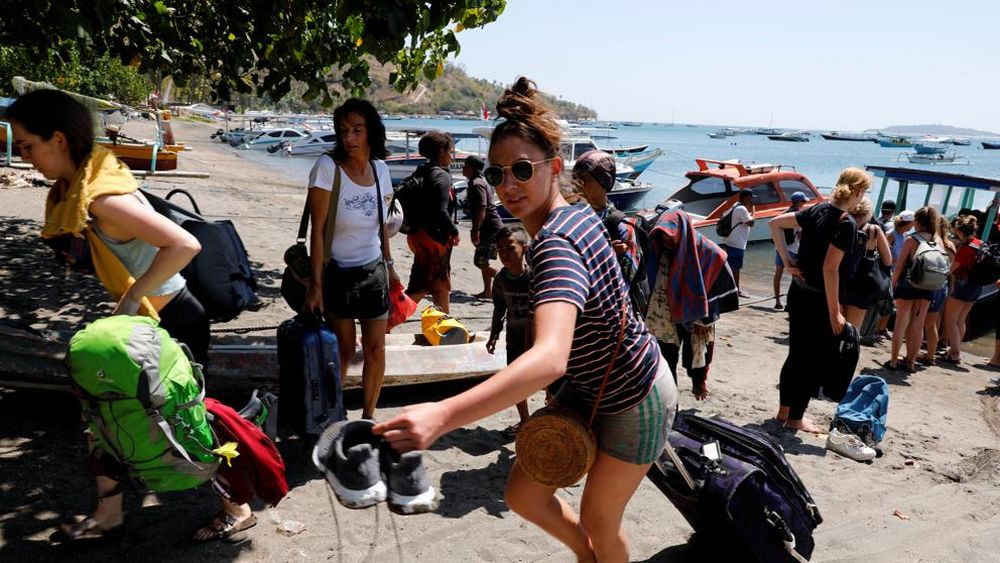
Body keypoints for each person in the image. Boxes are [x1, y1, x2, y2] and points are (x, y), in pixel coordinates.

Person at [373, 77, 676, 562]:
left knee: (600, 519)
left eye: (521, 170)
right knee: (524, 494)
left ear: (554, 167)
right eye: (497, 174)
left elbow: (550, 358)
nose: (508, 185)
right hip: (590, 384)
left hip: (634, 393)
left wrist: (442, 415)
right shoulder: (573, 214)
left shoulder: (555, 243)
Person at [7, 89, 252, 542]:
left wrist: (132, 297)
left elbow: (184, 244)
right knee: (102, 414)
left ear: (58, 140)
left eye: (27, 145)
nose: (24, 156)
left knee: (190, 421)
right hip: (146, 324)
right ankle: (110, 513)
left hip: (174, 321)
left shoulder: (101, 199)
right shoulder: (83, 183)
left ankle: (238, 507)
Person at [303, 98, 398, 420]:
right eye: (344, 131)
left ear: (371, 131)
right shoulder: (328, 167)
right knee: (343, 350)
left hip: (373, 272)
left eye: (357, 130)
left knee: (376, 349)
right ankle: (333, 413)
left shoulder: (380, 170)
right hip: (337, 275)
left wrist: (390, 266)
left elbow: (382, 225)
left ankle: (369, 416)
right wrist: (316, 286)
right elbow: (317, 231)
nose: (349, 137)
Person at [769, 167, 870, 433]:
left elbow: (774, 223)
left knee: (796, 355)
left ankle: (783, 411)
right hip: (819, 300)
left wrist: (787, 261)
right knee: (811, 361)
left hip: (798, 292)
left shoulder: (816, 209)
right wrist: (835, 311)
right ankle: (796, 418)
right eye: (864, 192)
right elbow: (830, 269)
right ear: (858, 192)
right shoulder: (845, 223)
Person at [646, 209, 736, 401]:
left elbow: (722, 278)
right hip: (664, 315)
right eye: (662, 238)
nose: (666, 242)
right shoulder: (659, 251)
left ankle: (697, 384)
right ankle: (671, 402)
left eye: (670, 238)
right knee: (666, 361)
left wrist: (707, 312)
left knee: (697, 355)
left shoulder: (709, 252)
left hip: (697, 316)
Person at [405, 131, 459, 312]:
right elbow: (440, 210)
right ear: (441, 151)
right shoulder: (441, 176)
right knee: (419, 288)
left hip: (419, 234)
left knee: (440, 284)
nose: (451, 156)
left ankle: (445, 322)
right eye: (449, 151)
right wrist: (454, 230)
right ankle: (385, 323)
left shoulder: (423, 170)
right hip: (433, 239)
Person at [485, 226, 532, 437]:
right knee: (515, 383)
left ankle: (549, 419)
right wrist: (494, 335)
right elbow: (500, 308)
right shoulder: (501, 279)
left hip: (537, 339)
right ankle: (525, 420)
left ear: (524, 248)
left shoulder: (535, 277)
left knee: (549, 383)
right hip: (514, 338)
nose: (504, 254)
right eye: (500, 249)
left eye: (509, 248)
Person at [887, 206, 946, 373]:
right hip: (929, 286)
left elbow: (899, 267)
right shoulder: (938, 241)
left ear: (918, 222)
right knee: (918, 325)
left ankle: (893, 361)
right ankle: (911, 363)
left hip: (909, 284)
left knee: (901, 323)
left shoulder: (911, 240)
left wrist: (892, 285)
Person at [842, 198, 892, 328]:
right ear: (868, 212)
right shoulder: (873, 230)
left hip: (839, 279)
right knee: (852, 329)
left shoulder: (842, 224)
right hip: (862, 284)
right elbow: (888, 260)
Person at [941, 215, 983, 365]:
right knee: (961, 319)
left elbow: (952, 269)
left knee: (950, 320)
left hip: (962, 286)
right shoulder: (980, 244)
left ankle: (955, 353)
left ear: (960, 231)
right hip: (977, 287)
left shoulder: (967, 248)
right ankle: (955, 349)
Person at [917, 215, 956, 365]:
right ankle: (930, 355)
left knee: (919, 321)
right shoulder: (951, 245)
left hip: (931, 283)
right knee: (931, 323)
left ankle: (915, 354)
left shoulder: (935, 243)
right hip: (943, 284)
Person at [464, 154, 503, 299]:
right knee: (483, 260)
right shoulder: (481, 181)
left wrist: (476, 229)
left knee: (479, 261)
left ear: (472, 168)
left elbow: (482, 207)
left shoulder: (476, 183)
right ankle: (488, 291)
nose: (463, 168)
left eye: (465, 166)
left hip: (489, 228)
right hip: (491, 227)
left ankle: (509, 281)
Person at [772, 191, 807, 310]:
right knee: (795, 277)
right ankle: (790, 304)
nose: (804, 204)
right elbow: (800, 235)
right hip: (792, 249)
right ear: (799, 202)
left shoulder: (784, 213)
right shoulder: (797, 216)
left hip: (780, 248)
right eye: (803, 201)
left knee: (778, 274)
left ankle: (777, 301)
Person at [721, 189, 755, 298]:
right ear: (745, 197)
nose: (751, 200)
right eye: (750, 198)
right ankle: (736, 290)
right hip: (737, 243)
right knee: (736, 268)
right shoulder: (741, 209)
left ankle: (728, 288)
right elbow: (751, 223)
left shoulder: (736, 205)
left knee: (730, 266)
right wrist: (753, 211)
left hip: (730, 241)